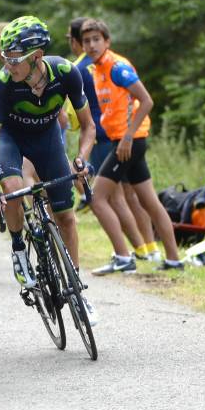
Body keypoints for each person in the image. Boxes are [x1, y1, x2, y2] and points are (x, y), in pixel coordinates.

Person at [0, 15, 97, 323]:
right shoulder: (4, 85)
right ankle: (19, 250)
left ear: (37, 57)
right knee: (14, 191)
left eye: (15, 60)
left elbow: (88, 127)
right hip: (11, 140)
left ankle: (76, 289)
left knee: (67, 216)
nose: (9, 66)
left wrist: (82, 159)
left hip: (47, 141)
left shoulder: (66, 73)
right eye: (5, 58)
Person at [80, 18, 182, 274]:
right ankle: (173, 259)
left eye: (96, 40)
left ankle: (124, 257)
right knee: (149, 201)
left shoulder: (117, 67)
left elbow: (146, 101)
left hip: (129, 142)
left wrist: (127, 137)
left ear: (107, 41)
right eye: (87, 41)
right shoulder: (97, 69)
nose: (91, 45)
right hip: (125, 141)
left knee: (96, 197)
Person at [67, 18, 161, 262]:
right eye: (87, 40)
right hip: (117, 133)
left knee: (114, 197)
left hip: (105, 136)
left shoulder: (81, 67)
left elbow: (76, 112)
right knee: (131, 195)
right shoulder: (99, 64)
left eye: (71, 38)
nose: (88, 44)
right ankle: (148, 248)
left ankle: (135, 251)